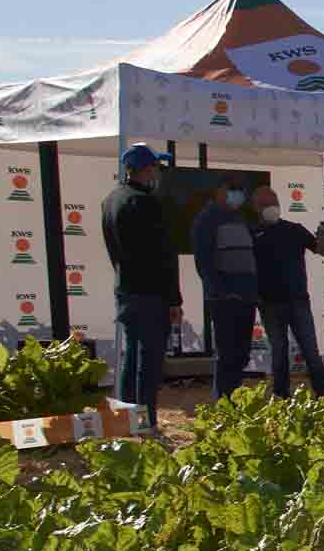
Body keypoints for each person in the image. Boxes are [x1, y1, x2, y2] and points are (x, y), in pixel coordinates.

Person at [101, 144, 183, 433]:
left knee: (130, 358)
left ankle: (126, 420)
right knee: (148, 363)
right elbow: (164, 256)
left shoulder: (110, 200)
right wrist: (174, 299)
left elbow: (114, 250)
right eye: (155, 168)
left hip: (126, 289)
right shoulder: (147, 203)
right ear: (146, 169)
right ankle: (146, 421)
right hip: (152, 293)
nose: (157, 173)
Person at [250, 186, 324, 397]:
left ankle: (322, 394)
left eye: (274, 202)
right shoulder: (252, 234)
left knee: (311, 350)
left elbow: (322, 250)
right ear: (256, 208)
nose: (271, 207)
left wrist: (323, 236)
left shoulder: (294, 229)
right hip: (269, 304)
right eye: (266, 204)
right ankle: (281, 395)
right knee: (279, 352)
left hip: (298, 301)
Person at [191, 174, 259, 399]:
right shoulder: (207, 219)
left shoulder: (240, 218)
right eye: (232, 189)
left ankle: (234, 399)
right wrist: (221, 291)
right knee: (227, 353)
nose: (237, 194)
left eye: (240, 190)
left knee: (241, 354)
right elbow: (203, 261)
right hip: (224, 299)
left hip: (246, 296)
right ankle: (223, 402)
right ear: (219, 191)